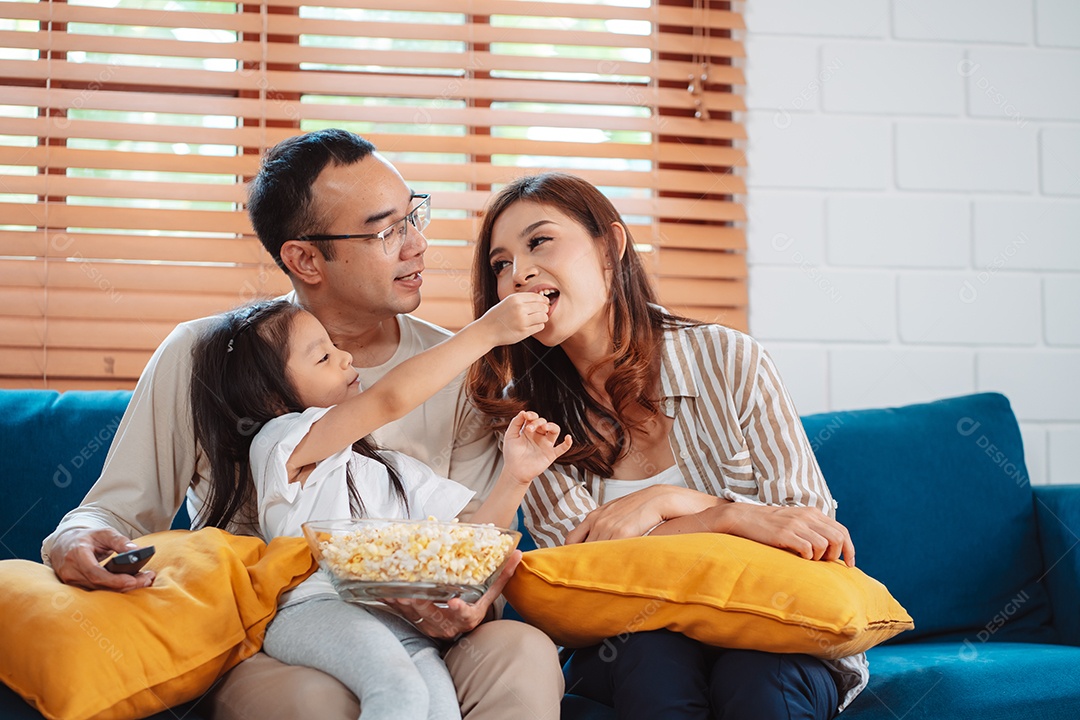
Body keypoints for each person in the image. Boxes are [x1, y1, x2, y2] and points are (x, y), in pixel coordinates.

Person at [41, 129, 565, 720]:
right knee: (318, 700)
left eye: (414, 215)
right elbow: (113, 514)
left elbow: (474, 538)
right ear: (305, 258)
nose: (417, 245)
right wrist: (72, 539)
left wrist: (475, 601)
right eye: (386, 230)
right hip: (280, 630)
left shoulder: (463, 369)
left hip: (429, 633)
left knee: (522, 650)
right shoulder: (208, 356)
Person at [466, 172, 869, 720]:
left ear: (610, 247)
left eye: (539, 242)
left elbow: (810, 529)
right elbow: (591, 569)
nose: (519, 273)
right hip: (628, 638)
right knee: (653, 657)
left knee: (758, 678)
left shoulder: (728, 358)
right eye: (500, 264)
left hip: (771, 619)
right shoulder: (525, 417)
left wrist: (664, 504)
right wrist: (733, 519)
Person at [189, 295, 571, 720]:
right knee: (400, 693)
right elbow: (389, 401)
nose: (345, 357)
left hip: (405, 626)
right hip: (317, 611)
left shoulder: (393, 469)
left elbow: (469, 552)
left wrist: (516, 476)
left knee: (440, 709)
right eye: (323, 357)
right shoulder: (281, 445)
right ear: (272, 399)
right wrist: (487, 332)